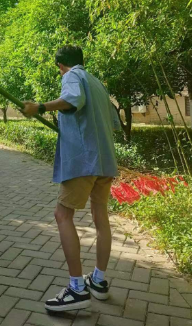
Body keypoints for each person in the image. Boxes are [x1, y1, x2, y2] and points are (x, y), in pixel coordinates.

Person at [22, 45, 120, 312]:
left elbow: (73, 99)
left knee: (62, 215)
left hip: (84, 161)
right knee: (101, 217)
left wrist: (40, 107)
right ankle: (98, 281)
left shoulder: (72, 75)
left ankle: (77, 288)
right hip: (105, 161)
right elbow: (111, 122)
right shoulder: (97, 83)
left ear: (60, 66)